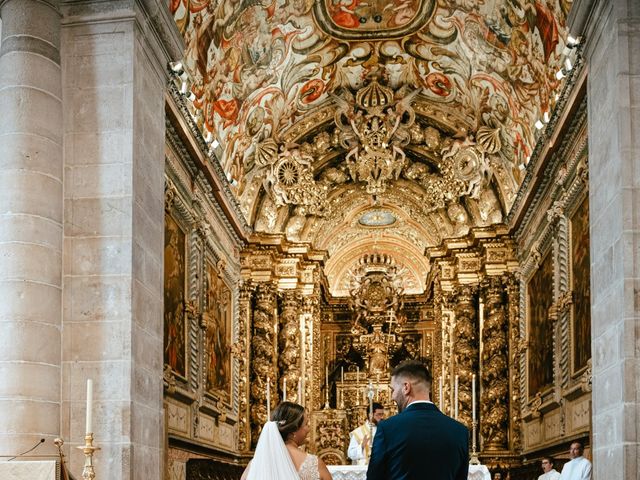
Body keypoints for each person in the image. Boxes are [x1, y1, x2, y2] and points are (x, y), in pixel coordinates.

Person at [366, 360, 469, 480]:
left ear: (406, 387)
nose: (392, 396)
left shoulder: (387, 428)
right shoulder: (460, 431)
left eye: (393, 390)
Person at [241, 401, 332, 480]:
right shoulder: (315, 464)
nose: (308, 429)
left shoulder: (255, 464)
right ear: (293, 431)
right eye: (306, 424)